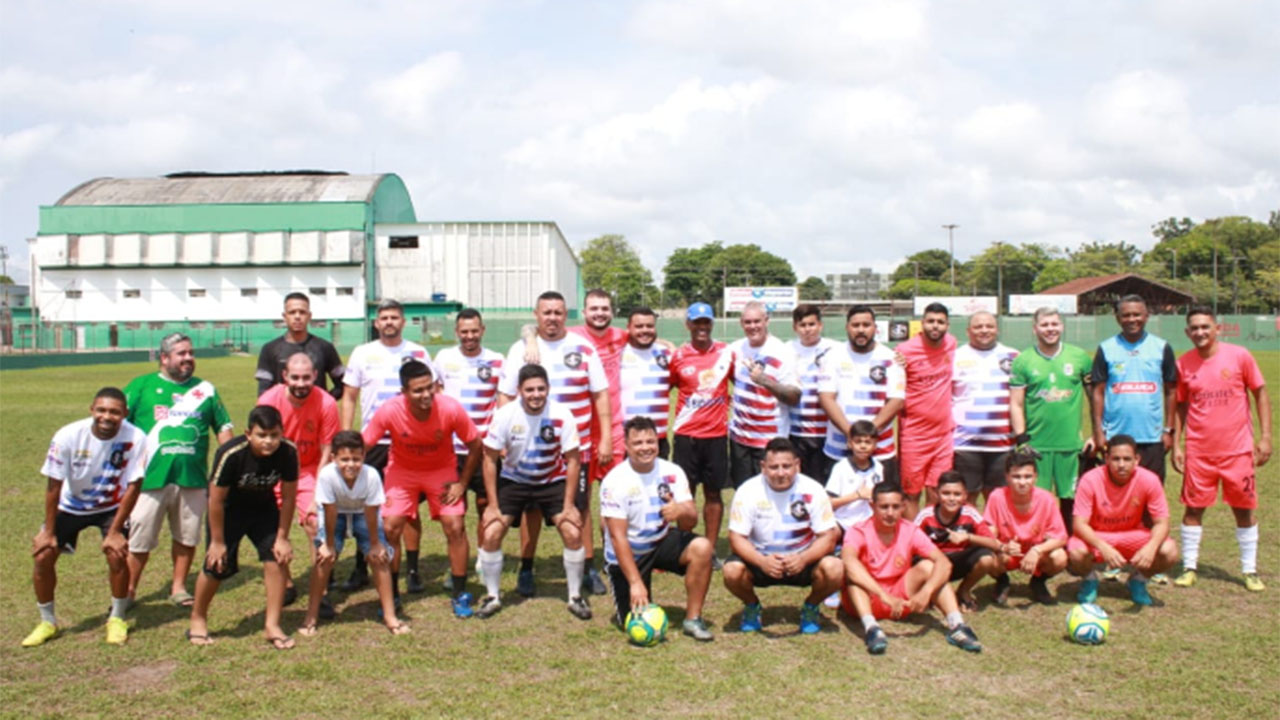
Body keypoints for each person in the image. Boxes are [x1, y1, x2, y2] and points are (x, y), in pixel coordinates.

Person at [498, 291, 609, 598]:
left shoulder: (584, 348)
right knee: (530, 510)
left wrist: (607, 437)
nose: (552, 318)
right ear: (536, 315)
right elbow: (506, 395)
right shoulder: (520, 348)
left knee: (580, 508)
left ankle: (587, 567)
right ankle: (527, 568)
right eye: (546, 312)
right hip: (531, 448)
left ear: (566, 315)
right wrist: (505, 436)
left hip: (577, 447)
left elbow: (600, 394)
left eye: (558, 312)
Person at [23, 388, 148, 647]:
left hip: (111, 506)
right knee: (43, 555)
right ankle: (47, 622)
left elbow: (134, 486)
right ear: (91, 409)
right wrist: (48, 530)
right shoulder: (67, 436)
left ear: (124, 414)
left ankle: (117, 617)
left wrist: (114, 531)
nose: (107, 416)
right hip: (70, 505)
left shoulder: (136, 437)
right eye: (101, 410)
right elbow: (53, 486)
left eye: (114, 412)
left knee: (117, 555)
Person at [361, 360, 482, 618]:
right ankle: (391, 594)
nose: (426, 395)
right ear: (403, 392)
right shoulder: (389, 410)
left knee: (455, 526)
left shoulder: (449, 408)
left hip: (441, 472)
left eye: (430, 388)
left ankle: (460, 593)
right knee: (391, 526)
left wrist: (462, 483)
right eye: (418, 390)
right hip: (402, 473)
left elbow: (475, 444)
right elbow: (364, 444)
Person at [125, 333, 234, 608]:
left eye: (190, 353)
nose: (188, 358)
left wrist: (230, 466)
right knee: (140, 539)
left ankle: (178, 587)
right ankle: (127, 591)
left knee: (187, 536)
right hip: (148, 479)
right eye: (181, 353)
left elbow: (223, 427)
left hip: (193, 479)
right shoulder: (142, 386)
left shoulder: (205, 389)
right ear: (164, 358)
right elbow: (120, 426)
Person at [476, 364, 592, 621]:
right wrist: (493, 506)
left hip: (552, 480)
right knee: (492, 532)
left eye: (541, 389)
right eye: (529, 389)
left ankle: (574, 596)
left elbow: (573, 460)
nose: (536, 394)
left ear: (548, 389)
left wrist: (569, 504)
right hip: (514, 480)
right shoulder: (505, 415)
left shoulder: (562, 414)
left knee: (573, 532)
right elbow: (489, 459)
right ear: (519, 391)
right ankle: (493, 597)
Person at [1171, 306, 1271, 591]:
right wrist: (1177, 445)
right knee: (1193, 509)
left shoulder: (1239, 356)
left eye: (1205, 327)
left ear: (1217, 328)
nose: (1200, 332)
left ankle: (1249, 571)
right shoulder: (1184, 364)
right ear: (1187, 332)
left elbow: (1260, 394)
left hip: (1237, 451)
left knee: (1243, 509)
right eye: (1195, 328)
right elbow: (1180, 406)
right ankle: (1189, 568)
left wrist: (1265, 437)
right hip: (1199, 452)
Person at [340, 299, 432, 593]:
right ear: (376, 323)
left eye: (394, 317)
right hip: (374, 441)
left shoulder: (418, 352)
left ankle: (414, 570)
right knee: (365, 504)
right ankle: (360, 567)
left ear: (403, 322)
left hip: (410, 441)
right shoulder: (363, 353)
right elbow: (350, 396)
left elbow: (432, 394)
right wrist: (347, 436)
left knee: (408, 509)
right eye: (384, 318)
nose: (389, 322)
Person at [187, 406, 298, 649]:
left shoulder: (288, 452)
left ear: (282, 433)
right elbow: (215, 499)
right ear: (249, 434)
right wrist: (217, 542)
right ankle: (198, 618)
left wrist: (282, 537)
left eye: (274, 435)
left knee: (277, 559)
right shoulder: (232, 454)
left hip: (263, 509)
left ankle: (272, 625)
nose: (268, 441)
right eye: (262, 435)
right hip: (229, 511)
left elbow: (289, 498)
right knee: (216, 565)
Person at [1089, 295, 1179, 584]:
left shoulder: (1161, 348)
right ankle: (1114, 560)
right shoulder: (1106, 349)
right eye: (1126, 315)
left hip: (1151, 438)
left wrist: (1168, 430)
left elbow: (1171, 391)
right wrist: (1099, 431)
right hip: (1116, 440)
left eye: (1137, 315)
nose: (1132, 320)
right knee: (1114, 503)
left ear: (1147, 315)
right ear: (1118, 318)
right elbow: (1098, 391)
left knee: (1151, 501)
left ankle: (1151, 563)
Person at [600, 417, 715, 641]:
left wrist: (681, 510)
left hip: (659, 540)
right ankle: (636, 585)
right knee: (633, 623)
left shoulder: (672, 472)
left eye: (650, 442)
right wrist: (635, 583)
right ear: (626, 446)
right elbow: (617, 537)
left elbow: (690, 522)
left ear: (658, 442)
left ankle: (693, 619)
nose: (645, 448)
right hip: (628, 552)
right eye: (638, 443)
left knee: (702, 547)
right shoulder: (615, 481)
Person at [841, 481, 983, 655]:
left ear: (904, 506)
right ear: (872, 506)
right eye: (884, 507)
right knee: (853, 574)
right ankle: (871, 628)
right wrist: (883, 596)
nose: (890, 513)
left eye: (895, 507)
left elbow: (944, 563)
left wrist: (926, 592)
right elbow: (848, 562)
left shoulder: (910, 530)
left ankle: (957, 625)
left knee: (930, 567)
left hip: (901, 598)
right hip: (867, 597)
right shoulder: (858, 531)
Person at [723, 438, 842, 635]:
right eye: (774, 467)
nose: (780, 473)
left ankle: (811, 607)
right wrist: (762, 562)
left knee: (835, 568)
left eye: (786, 466)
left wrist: (803, 558)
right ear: (763, 467)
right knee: (732, 571)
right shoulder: (748, 491)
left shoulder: (813, 489)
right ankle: (752, 606)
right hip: (762, 559)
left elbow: (828, 536)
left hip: (801, 558)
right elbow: (736, 537)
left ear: (797, 465)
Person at [299, 431, 407, 636]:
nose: (351, 464)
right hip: (336, 514)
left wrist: (375, 544)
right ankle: (310, 616)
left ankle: (390, 615)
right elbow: (329, 510)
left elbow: (371, 511)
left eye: (356, 459)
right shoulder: (327, 475)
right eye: (344, 459)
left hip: (362, 513)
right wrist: (329, 545)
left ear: (364, 457)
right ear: (333, 459)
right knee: (324, 559)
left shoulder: (371, 475)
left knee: (379, 558)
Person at [259, 353, 339, 608]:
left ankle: (321, 590)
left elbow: (328, 449)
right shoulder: (269, 400)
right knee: (270, 527)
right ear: (285, 377)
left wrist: (318, 492)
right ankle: (287, 582)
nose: (301, 382)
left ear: (316, 376)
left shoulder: (326, 403)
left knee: (315, 525)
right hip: (275, 469)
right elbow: (261, 443)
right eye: (295, 377)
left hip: (310, 470)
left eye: (307, 377)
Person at [1009, 307, 1095, 529]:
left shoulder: (1079, 358)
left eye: (1055, 324)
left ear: (1062, 326)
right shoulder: (1023, 360)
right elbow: (1016, 403)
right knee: (1038, 498)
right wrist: (1022, 439)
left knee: (1072, 498)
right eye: (1045, 325)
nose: (1050, 329)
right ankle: (1039, 542)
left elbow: (1096, 400)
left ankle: (1070, 543)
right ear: (1035, 328)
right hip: (1037, 446)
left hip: (1071, 445)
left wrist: (1096, 434)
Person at [1068, 435, 1179, 606]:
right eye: (1116, 459)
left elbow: (1162, 522)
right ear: (1106, 459)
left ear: (1137, 460)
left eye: (1127, 459)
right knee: (1075, 552)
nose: (1121, 465)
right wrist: (1103, 547)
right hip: (1098, 536)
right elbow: (1079, 524)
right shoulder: (1090, 479)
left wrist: (1151, 547)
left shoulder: (1149, 479)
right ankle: (1090, 580)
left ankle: (1138, 580)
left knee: (1169, 550)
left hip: (1132, 534)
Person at [433, 308, 504, 567]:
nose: (470, 336)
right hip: (451, 450)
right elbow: (435, 393)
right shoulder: (443, 357)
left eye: (474, 331)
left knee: (485, 504)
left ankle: (483, 558)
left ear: (482, 330)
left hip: (485, 449)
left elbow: (503, 401)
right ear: (457, 332)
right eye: (464, 332)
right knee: (454, 510)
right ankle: (459, 559)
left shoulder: (497, 361)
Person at [669, 302, 735, 567]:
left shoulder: (726, 354)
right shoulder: (679, 356)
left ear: (712, 324)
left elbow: (740, 384)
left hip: (717, 436)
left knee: (713, 494)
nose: (702, 328)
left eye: (706, 322)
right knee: (684, 495)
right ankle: (684, 545)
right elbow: (669, 386)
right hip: (686, 436)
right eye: (696, 322)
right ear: (688, 325)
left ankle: (708, 550)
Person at [818, 305, 904, 486]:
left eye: (866, 325)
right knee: (838, 504)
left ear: (875, 328)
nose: (861, 330)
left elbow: (896, 401)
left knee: (883, 505)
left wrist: (868, 437)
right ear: (847, 327)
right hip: (839, 446)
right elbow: (826, 398)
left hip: (880, 449)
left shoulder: (891, 358)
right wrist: (852, 435)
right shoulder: (833, 356)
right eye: (855, 325)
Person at [981, 451, 1069, 606]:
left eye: (1027, 476)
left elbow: (1061, 537)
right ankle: (1002, 581)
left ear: (1036, 477)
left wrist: (1037, 550)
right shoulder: (997, 497)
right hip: (1008, 554)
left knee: (1059, 557)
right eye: (1016, 477)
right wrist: (1003, 546)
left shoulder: (1046, 499)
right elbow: (987, 534)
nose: (1022, 482)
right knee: (986, 556)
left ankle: (1038, 582)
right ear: (1007, 477)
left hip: (1035, 554)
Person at [895, 302, 957, 518]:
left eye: (940, 322)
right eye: (930, 321)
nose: (935, 326)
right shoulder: (905, 351)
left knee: (936, 490)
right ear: (922, 324)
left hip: (943, 435)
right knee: (911, 492)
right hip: (914, 434)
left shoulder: (951, 344)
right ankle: (912, 540)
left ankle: (931, 536)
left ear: (947, 325)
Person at [728, 302, 800, 488]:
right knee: (743, 491)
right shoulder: (736, 349)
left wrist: (765, 381)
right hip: (740, 438)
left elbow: (794, 397)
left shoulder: (782, 352)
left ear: (767, 321)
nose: (753, 326)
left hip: (770, 440)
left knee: (773, 491)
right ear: (741, 323)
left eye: (757, 321)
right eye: (748, 322)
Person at [951, 311, 1019, 503]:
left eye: (989, 326)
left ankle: (994, 534)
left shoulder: (1013, 356)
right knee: (966, 498)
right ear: (968, 331)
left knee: (999, 499)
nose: (984, 330)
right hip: (965, 444)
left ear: (997, 329)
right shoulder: (954, 357)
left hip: (1003, 443)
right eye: (978, 327)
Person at [914, 471, 1003, 611]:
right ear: (937, 494)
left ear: (965, 496)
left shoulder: (970, 513)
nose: (951, 498)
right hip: (934, 563)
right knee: (920, 561)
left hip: (959, 561)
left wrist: (968, 537)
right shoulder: (925, 515)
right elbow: (909, 544)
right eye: (946, 493)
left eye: (957, 494)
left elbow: (994, 544)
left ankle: (963, 591)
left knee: (986, 558)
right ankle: (930, 592)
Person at [819, 419, 883, 608]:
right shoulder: (840, 468)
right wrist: (857, 495)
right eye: (858, 441)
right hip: (842, 520)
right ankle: (832, 584)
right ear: (850, 443)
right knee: (829, 537)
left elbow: (881, 499)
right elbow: (828, 504)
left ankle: (874, 584)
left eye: (868, 442)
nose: (863, 446)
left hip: (867, 521)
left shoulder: (879, 467)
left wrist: (874, 500)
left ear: (875, 445)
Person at [255, 292, 345, 398]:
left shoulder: (325, 347)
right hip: (282, 414)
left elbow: (342, 385)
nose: (297, 316)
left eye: (302, 312)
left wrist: (324, 402)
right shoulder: (269, 349)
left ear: (309, 316)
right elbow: (263, 392)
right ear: (285, 316)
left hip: (315, 414)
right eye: (292, 312)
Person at [788, 304, 841, 481]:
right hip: (796, 432)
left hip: (827, 431)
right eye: (802, 325)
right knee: (798, 483)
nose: (807, 330)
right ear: (795, 327)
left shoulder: (836, 350)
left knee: (825, 484)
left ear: (820, 325)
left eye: (811, 324)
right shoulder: (786, 350)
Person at [618, 307, 672, 460]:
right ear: (628, 328)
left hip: (657, 438)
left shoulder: (666, 354)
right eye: (639, 326)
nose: (645, 330)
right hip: (627, 438)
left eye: (649, 326)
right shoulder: (617, 353)